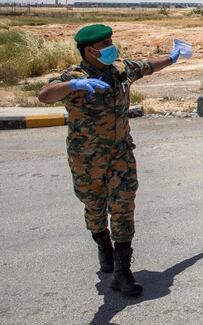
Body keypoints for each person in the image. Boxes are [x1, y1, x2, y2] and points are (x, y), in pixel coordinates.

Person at [38, 24, 192, 297]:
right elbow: (44, 94)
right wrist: (73, 85)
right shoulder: (74, 76)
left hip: (121, 154)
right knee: (95, 208)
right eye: (105, 44)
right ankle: (102, 244)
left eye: (111, 41)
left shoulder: (121, 69)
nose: (112, 47)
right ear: (89, 50)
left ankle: (122, 272)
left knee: (123, 206)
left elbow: (147, 66)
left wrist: (172, 57)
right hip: (87, 159)